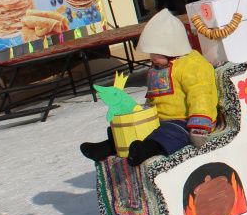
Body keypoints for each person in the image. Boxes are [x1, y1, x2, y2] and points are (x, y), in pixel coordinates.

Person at [79, 9, 218, 166]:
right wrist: (142, 113)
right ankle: (109, 146)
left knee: (168, 134)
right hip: (159, 118)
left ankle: (145, 150)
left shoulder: (192, 65)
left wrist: (199, 126)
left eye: (156, 53)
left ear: (171, 48)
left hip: (183, 121)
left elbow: (200, 95)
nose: (152, 57)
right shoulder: (159, 67)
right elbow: (153, 95)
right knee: (135, 128)